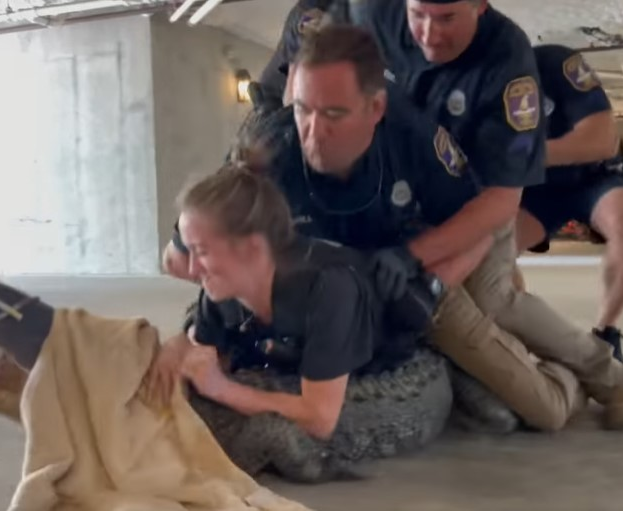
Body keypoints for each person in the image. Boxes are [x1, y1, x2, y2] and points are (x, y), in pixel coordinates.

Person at [164, 24, 623, 431]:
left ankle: (600, 378)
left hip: (417, 271)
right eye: (304, 109)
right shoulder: (269, 147)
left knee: (536, 399)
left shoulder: (416, 142)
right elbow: (188, 253)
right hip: (329, 291)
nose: (313, 131)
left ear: (375, 108)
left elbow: (480, 227)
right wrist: (197, 292)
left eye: (334, 114)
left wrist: (431, 281)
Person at [158, 165, 436, 439]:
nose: (192, 270)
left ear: (252, 248)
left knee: (276, 438)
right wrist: (181, 348)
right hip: (292, 359)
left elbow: (320, 419)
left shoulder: (330, 287)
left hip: (392, 367)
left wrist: (221, 389)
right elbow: (202, 357)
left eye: (202, 252)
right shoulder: (221, 288)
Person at [514, 44, 623, 363]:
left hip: (594, 176)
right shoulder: (472, 89)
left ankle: (606, 334)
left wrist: (516, 158)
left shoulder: (554, 62)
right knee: (491, 253)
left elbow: (601, 141)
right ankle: (520, 337)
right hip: (536, 190)